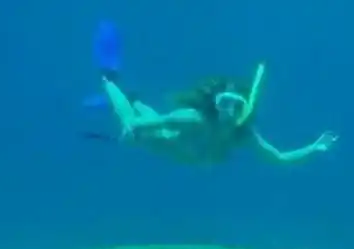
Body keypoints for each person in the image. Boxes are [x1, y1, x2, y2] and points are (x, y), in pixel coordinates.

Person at [83, 23, 338, 165]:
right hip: (166, 140)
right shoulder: (194, 118)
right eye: (225, 102)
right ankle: (109, 79)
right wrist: (130, 130)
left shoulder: (243, 132)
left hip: (186, 155)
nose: (230, 110)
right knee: (140, 124)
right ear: (215, 104)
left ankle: (133, 98)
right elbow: (146, 123)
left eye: (236, 104)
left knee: (153, 123)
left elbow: (278, 157)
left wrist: (314, 147)